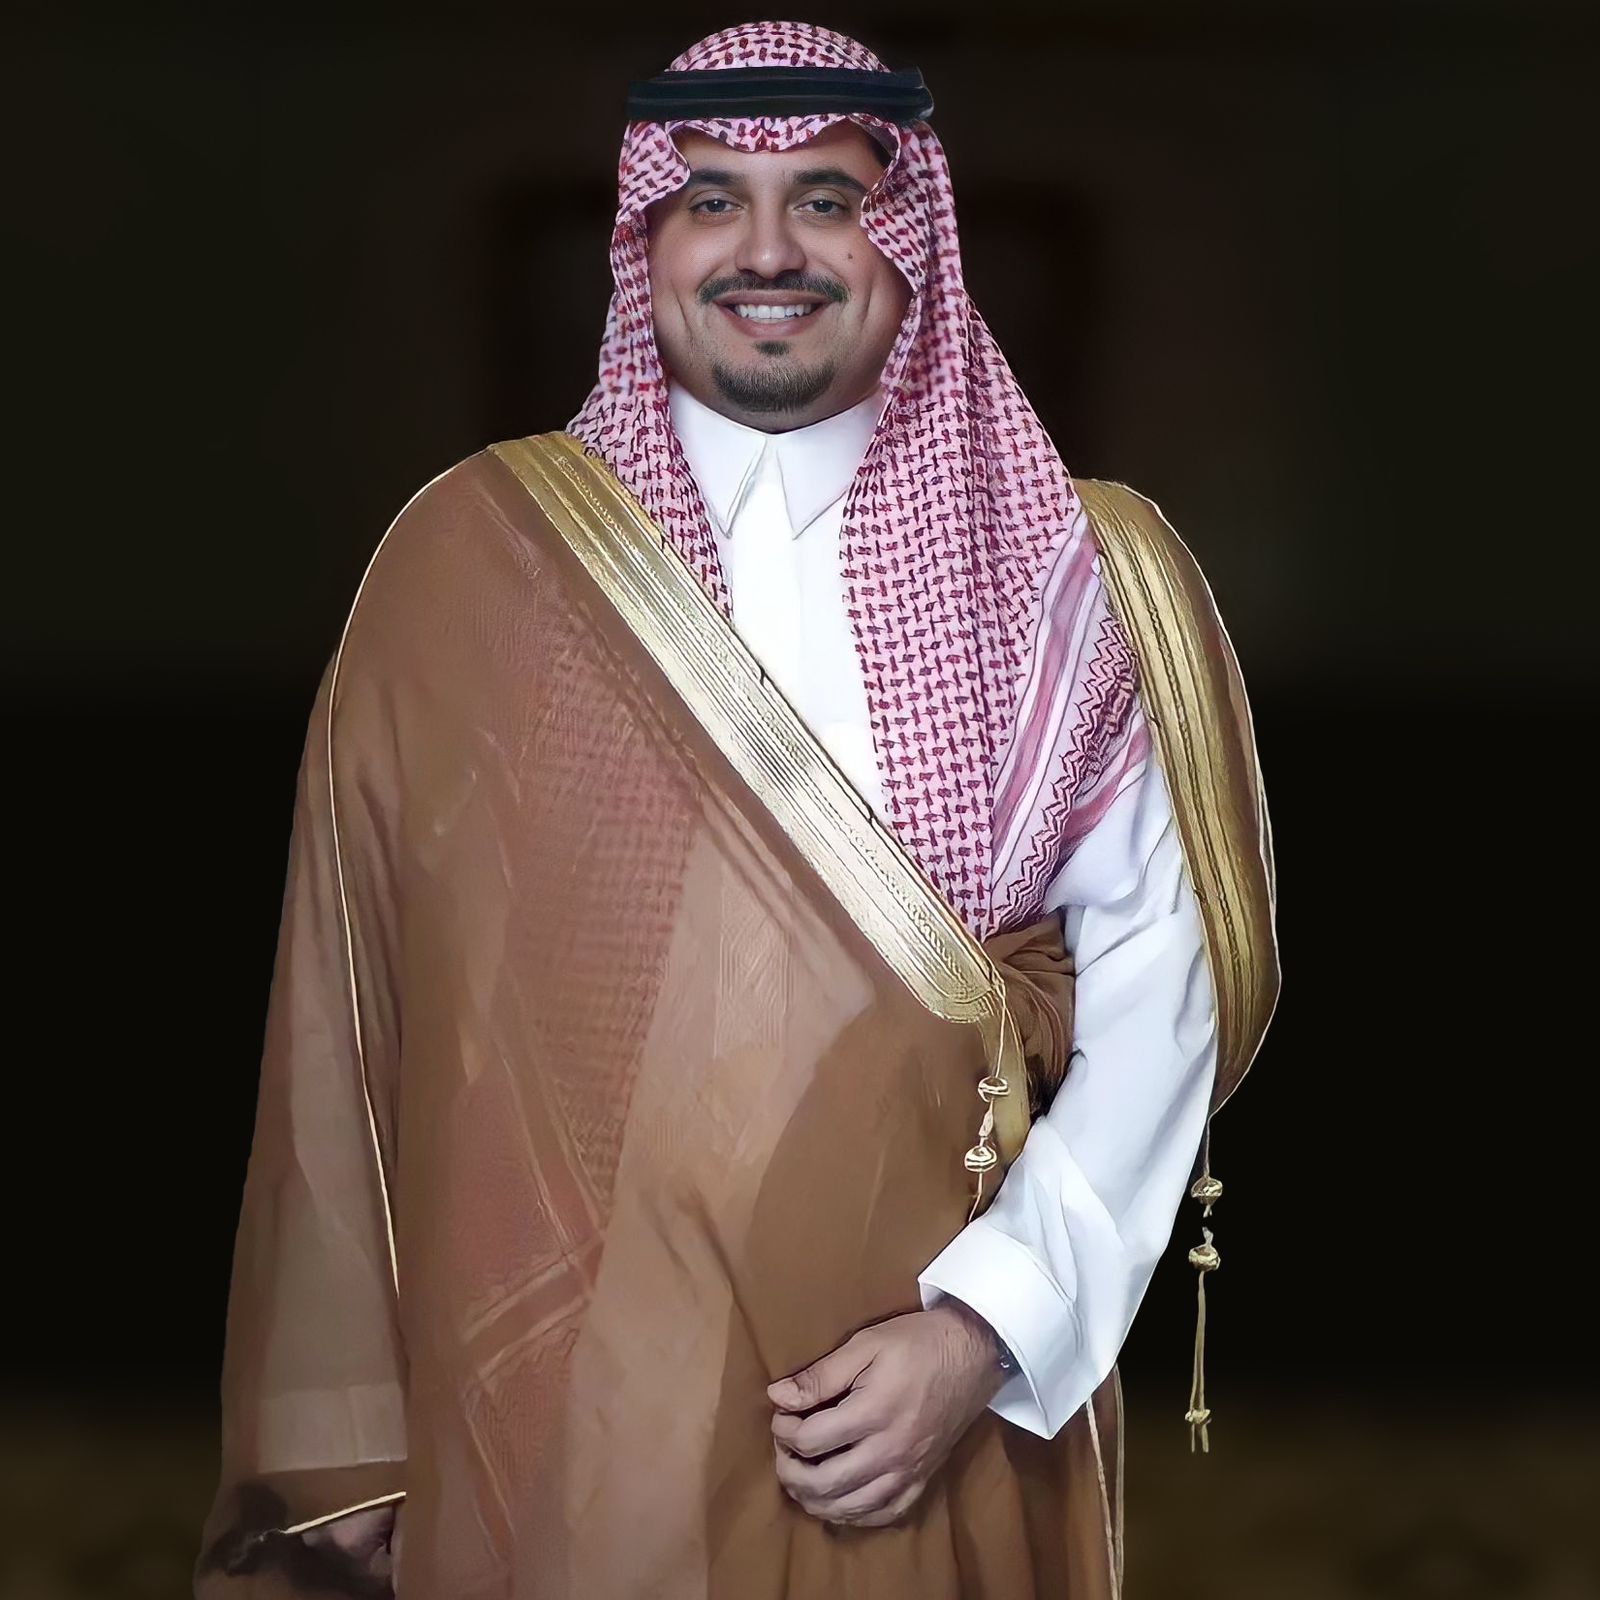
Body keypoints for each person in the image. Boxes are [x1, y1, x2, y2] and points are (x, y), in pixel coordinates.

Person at [197, 21, 1277, 1599]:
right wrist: (361, 1433)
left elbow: (1160, 1001)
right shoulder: (468, 564)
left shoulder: (1080, 578)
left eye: (827, 199)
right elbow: (347, 1025)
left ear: (911, 237)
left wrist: (986, 1333)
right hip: (561, 1421)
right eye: (712, 198)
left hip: (924, 1430)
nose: (767, 249)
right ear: (646, 240)